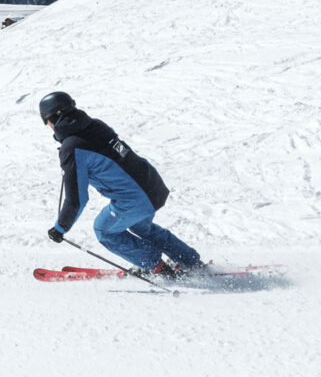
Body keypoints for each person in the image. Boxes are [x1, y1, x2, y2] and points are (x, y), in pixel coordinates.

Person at [40, 90, 203, 276]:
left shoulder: (72, 148)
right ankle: (191, 262)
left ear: (53, 119)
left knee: (104, 230)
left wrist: (60, 228)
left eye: (47, 122)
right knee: (142, 227)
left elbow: (77, 199)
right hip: (152, 184)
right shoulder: (95, 125)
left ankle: (157, 268)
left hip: (136, 199)